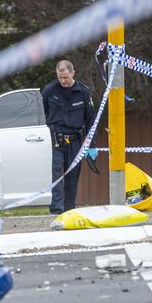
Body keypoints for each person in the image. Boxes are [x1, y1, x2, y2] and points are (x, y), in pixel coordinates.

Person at [42, 60, 97, 215]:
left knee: (72, 177)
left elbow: (91, 120)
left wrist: (91, 144)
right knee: (56, 176)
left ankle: (69, 210)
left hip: (75, 141)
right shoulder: (49, 90)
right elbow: (42, 114)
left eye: (65, 77)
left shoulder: (83, 92)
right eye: (60, 77)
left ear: (73, 73)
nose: (63, 81)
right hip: (55, 141)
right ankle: (56, 211)